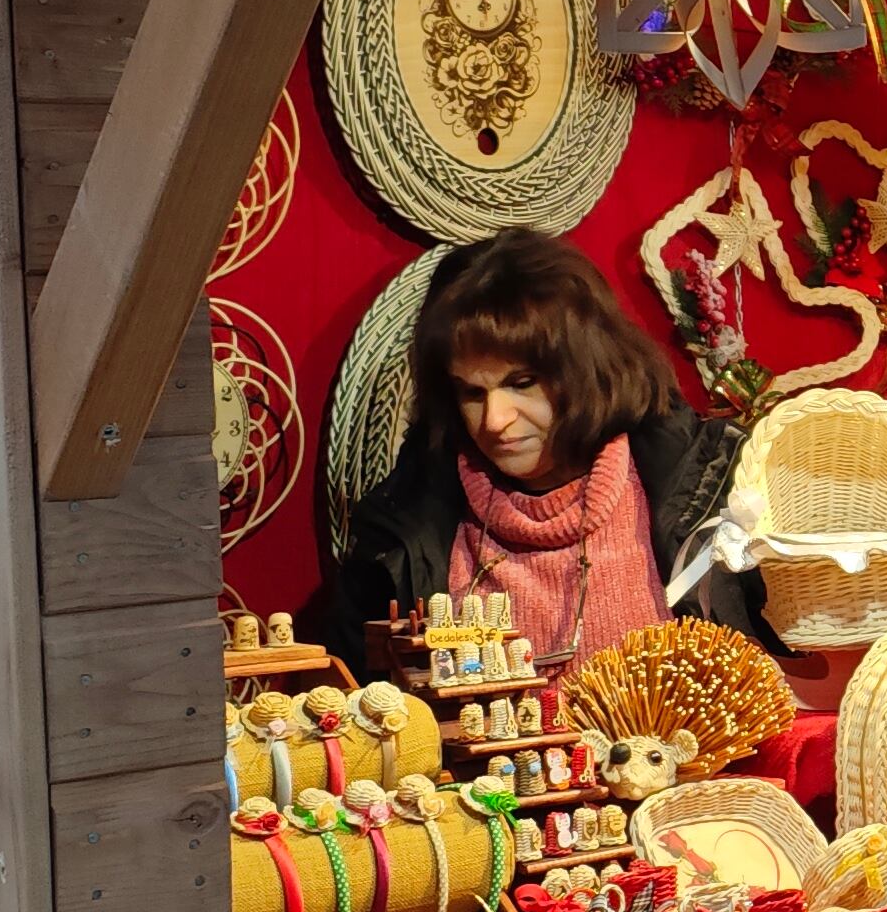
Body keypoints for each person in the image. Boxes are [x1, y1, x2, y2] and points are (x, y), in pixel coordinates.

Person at [322, 230, 761, 660]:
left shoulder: (713, 485)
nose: (495, 421)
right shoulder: (402, 525)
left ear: (587, 370)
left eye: (522, 383)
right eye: (473, 393)